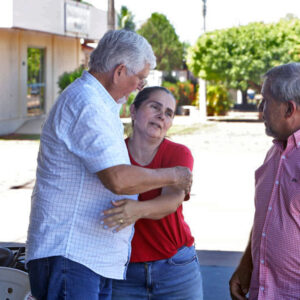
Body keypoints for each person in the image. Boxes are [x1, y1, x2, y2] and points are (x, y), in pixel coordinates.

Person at [25, 30, 192, 300]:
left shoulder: (99, 104)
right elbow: (118, 178)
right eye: (140, 78)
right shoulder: (87, 103)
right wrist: (175, 175)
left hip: (86, 259)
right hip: (72, 256)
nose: (140, 86)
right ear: (119, 71)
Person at [102, 86, 203, 300]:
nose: (161, 116)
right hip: (122, 271)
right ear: (133, 111)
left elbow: (170, 202)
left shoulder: (178, 153)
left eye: (168, 113)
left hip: (175, 268)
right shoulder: (112, 155)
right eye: (154, 107)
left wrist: (136, 210)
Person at [229, 62, 300, 300]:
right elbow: (267, 216)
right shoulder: (275, 151)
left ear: (289, 109)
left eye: (266, 100)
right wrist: (247, 264)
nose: (261, 108)